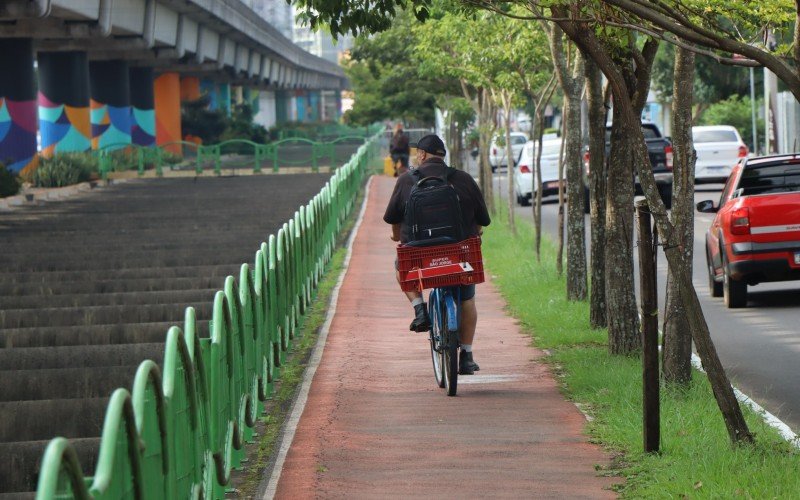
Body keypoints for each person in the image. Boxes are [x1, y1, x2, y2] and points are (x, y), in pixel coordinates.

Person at [383, 134, 491, 375]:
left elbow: (393, 219)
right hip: (459, 254)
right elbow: (484, 219)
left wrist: (397, 236)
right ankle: (467, 354)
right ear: (442, 156)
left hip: (418, 255)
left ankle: (420, 308)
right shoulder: (463, 179)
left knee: (400, 267)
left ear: (421, 155)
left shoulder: (405, 181)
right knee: (468, 300)